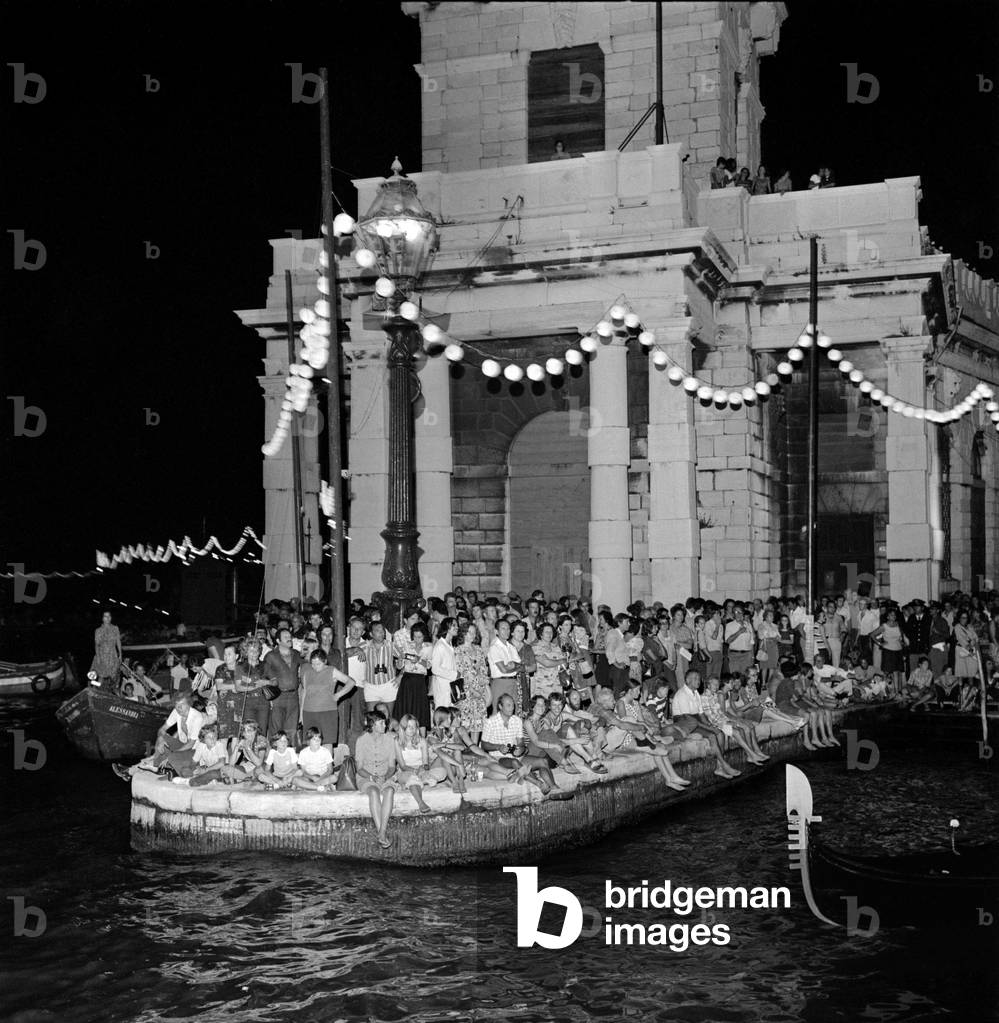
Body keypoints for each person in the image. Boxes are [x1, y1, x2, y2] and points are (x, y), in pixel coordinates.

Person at [355, 710, 398, 848]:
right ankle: (382, 833)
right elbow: (359, 768)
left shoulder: (390, 740)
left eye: (384, 722)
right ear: (372, 724)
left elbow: (392, 766)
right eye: (381, 722)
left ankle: (382, 832)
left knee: (389, 790)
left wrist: (385, 776)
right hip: (366, 776)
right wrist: (372, 777)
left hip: (386, 775)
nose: (385, 725)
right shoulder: (361, 741)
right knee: (373, 792)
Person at [300, 648, 355, 755]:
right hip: (309, 712)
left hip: (327, 712)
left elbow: (351, 682)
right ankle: (313, 768)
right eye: (313, 664)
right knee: (310, 741)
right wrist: (301, 714)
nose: (315, 667)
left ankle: (328, 768)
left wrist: (338, 695)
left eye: (318, 664)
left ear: (325, 661)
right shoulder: (307, 672)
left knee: (327, 742)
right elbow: (305, 692)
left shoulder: (332, 670)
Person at [395, 714, 443, 813]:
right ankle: (421, 803)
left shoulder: (422, 741)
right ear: (403, 728)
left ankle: (420, 779)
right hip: (405, 771)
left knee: (442, 772)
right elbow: (402, 766)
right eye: (409, 727)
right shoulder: (397, 741)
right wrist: (415, 771)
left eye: (414, 726)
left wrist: (423, 768)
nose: (412, 729)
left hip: (420, 770)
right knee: (412, 778)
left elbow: (426, 763)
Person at [262, 627, 303, 740]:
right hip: (277, 697)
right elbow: (264, 676)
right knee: (276, 730)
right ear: (278, 641)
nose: (289, 639)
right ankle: (274, 755)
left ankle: (289, 754)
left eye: (290, 637)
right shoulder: (271, 656)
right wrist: (269, 698)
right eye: (286, 637)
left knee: (292, 729)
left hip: (294, 696)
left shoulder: (297, 654)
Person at [393, 620, 433, 731]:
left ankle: (422, 738)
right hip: (407, 679)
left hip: (420, 680)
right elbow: (400, 666)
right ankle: (403, 737)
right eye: (415, 637)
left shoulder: (429, 647)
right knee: (405, 709)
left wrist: (419, 660)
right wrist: (400, 660)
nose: (417, 640)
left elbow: (429, 666)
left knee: (420, 710)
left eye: (419, 637)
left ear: (424, 636)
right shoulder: (407, 646)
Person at [152, 693, 206, 774]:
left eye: (182, 704)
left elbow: (191, 744)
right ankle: (156, 765)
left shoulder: (197, 717)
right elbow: (162, 729)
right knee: (162, 738)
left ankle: (171, 765)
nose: (179, 708)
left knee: (173, 758)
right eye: (177, 705)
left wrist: (175, 753)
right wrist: (161, 739)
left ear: (189, 704)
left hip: (194, 750)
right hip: (182, 744)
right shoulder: (176, 711)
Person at [454, 620, 490, 742]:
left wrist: (482, 687)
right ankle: (464, 750)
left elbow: (484, 669)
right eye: (469, 632)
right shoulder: (458, 650)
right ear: (463, 633)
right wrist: (472, 689)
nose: (472, 635)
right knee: (465, 723)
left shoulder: (479, 649)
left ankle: (475, 751)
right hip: (466, 691)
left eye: (474, 633)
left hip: (479, 690)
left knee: (478, 723)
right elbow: (460, 673)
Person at [363, 621, 399, 715]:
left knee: (389, 716)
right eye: (377, 630)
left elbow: (407, 657)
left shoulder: (391, 645)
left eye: (382, 630)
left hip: (388, 685)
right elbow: (347, 653)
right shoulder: (365, 646)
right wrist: (355, 650)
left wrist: (401, 676)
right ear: (371, 634)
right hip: (371, 686)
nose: (381, 633)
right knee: (372, 717)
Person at [487, 619, 521, 711]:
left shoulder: (511, 647)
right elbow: (503, 670)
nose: (507, 631)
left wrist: (513, 666)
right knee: (499, 712)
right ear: (496, 631)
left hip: (513, 682)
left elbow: (520, 666)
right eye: (503, 628)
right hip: (500, 682)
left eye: (508, 629)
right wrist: (514, 666)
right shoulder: (494, 647)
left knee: (514, 712)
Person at [430, 618, 460, 712]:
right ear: (447, 628)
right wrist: (454, 674)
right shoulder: (440, 646)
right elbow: (435, 669)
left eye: (457, 625)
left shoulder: (450, 645)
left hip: (451, 688)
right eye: (453, 625)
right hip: (442, 689)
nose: (457, 627)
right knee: (443, 716)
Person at [91, 611, 122, 685]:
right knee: (101, 675)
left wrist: (120, 654)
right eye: (105, 616)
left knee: (114, 675)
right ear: (102, 618)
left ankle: (112, 692)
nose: (107, 618)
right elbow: (97, 644)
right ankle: (96, 691)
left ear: (111, 618)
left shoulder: (115, 628)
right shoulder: (98, 630)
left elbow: (118, 641)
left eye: (109, 616)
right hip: (102, 655)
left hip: (112, 655)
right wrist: (98, 656)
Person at [724, 606, 755, 677]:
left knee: (746, 677)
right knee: (736, 677)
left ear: (743, 614)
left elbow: (752, 641)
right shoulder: (729, 625)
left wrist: (752, 656)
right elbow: (728, 641)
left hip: (747, 655)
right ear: (733, 614)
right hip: (735, 655)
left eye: (739, 612)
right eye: (735, 612)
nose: (737, 614)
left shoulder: (748, 624)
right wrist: (739, 632)